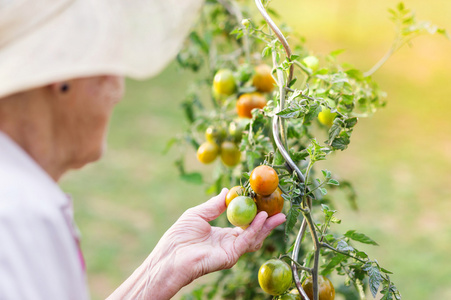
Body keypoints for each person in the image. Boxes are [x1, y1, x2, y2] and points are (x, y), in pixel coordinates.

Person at [0, 1, 286, 299]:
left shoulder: (20, 200)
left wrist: (163, 268)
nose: (118, 91)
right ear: (61, 78)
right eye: (107, 68)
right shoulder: (19, 221)